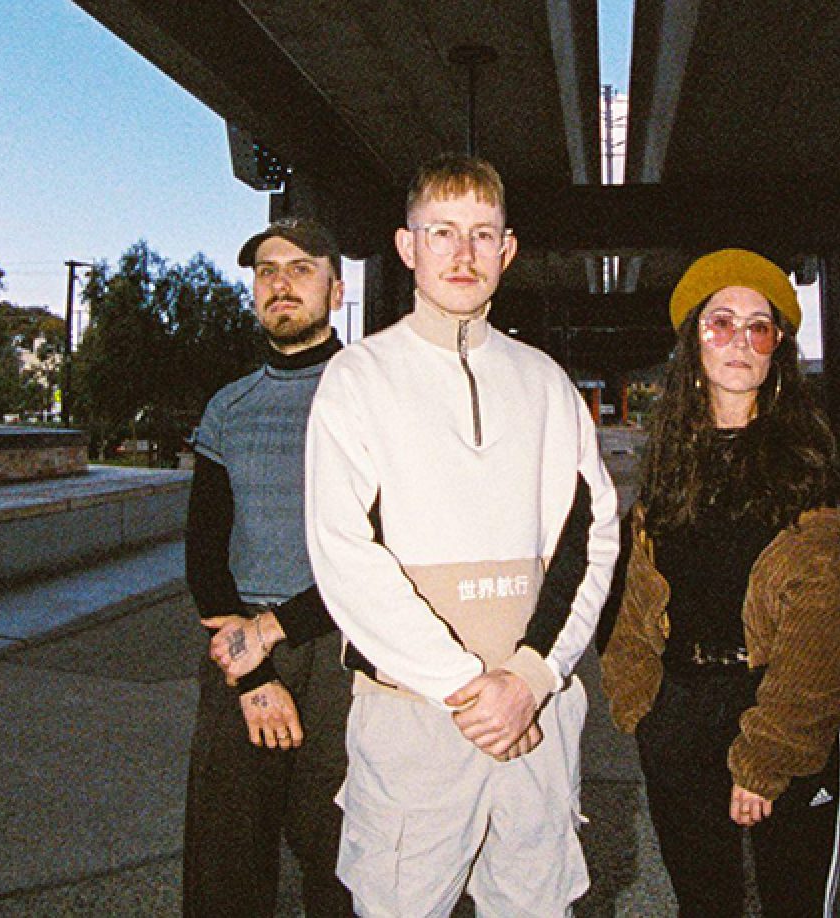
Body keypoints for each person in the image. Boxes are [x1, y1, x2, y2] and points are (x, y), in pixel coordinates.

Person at [302, 153, 621, 917]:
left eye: (482, 234)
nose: (463, 253)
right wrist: (467, 689)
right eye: (441, 232)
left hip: (534, 723)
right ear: (407, 247)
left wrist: (532, 679)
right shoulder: (358, 379)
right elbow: (345, 556)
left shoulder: (546, 381)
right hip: (415, 721)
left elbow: (593, 538)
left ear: (507, 251)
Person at [601, 248, 840, 917]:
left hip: (784, 707)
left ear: (776, 350)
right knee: (704, 905)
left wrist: (765, 756)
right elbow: (636, 597)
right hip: (680, 717)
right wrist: (640, 703)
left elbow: (830, 626)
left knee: (793, 903)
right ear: (693, 342)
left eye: (758, 327)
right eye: (720, 323)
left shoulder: (807, 465)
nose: (739, 341)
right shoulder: (670, 469)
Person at [182, 216, 354, 917]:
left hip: (343, 646)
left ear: (336, 291)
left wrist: (280, 629)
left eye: (301, 268)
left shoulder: (370, 391)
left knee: (342, 861)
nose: (280, 283)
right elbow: (204, 552)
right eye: (266, 271)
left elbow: (388, 545)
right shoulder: (230, 406)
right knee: (224, 866)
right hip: (240, 646)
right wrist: (251, 671)